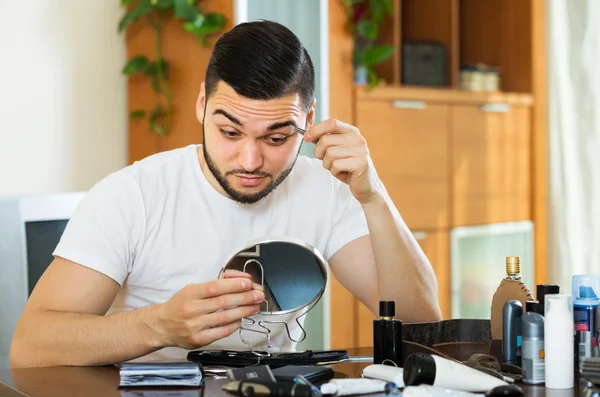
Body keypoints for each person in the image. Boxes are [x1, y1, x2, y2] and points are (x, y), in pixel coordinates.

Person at [10, 20, 441, 368]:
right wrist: (159, 326)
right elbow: (30, 346)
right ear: (201, 105)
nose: (250, 160)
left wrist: (374, 195)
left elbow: (421, 327)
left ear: (308, 120)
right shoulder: (132, 196)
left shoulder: (326, 188)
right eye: (230, 132)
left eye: (276, 138)